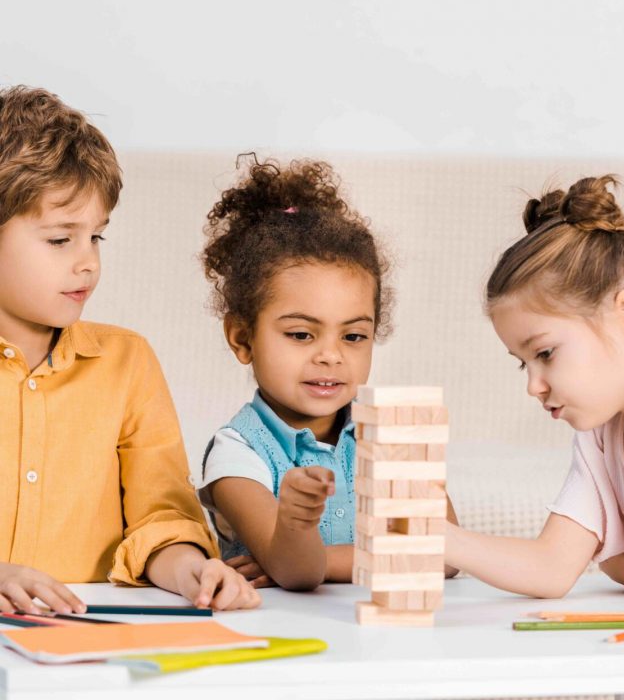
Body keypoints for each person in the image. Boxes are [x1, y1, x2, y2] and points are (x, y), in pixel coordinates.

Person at [0, 86, 260, 614]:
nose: (87, 262)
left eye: (97, 237)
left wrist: (192, 569)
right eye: (59, 239)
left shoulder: (127, 362)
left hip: (86, 644)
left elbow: (159, 516)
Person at [198, 155, 458, 590]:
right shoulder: (237, 453)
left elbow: (445, 551)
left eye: (353, 337)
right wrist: (300, 534)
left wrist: (320, 560)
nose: (331, 356)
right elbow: (297, 573)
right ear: (243, 339)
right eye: (301, 335)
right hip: (275, 638)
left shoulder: (390, 433)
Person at [447, 174, 624, 598]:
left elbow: (611, 559)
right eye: (523, 365)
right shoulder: (601, 440)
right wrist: (435, 536)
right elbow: (551, 568)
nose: (534, 387)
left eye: (546, 353)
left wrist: (620, 563)